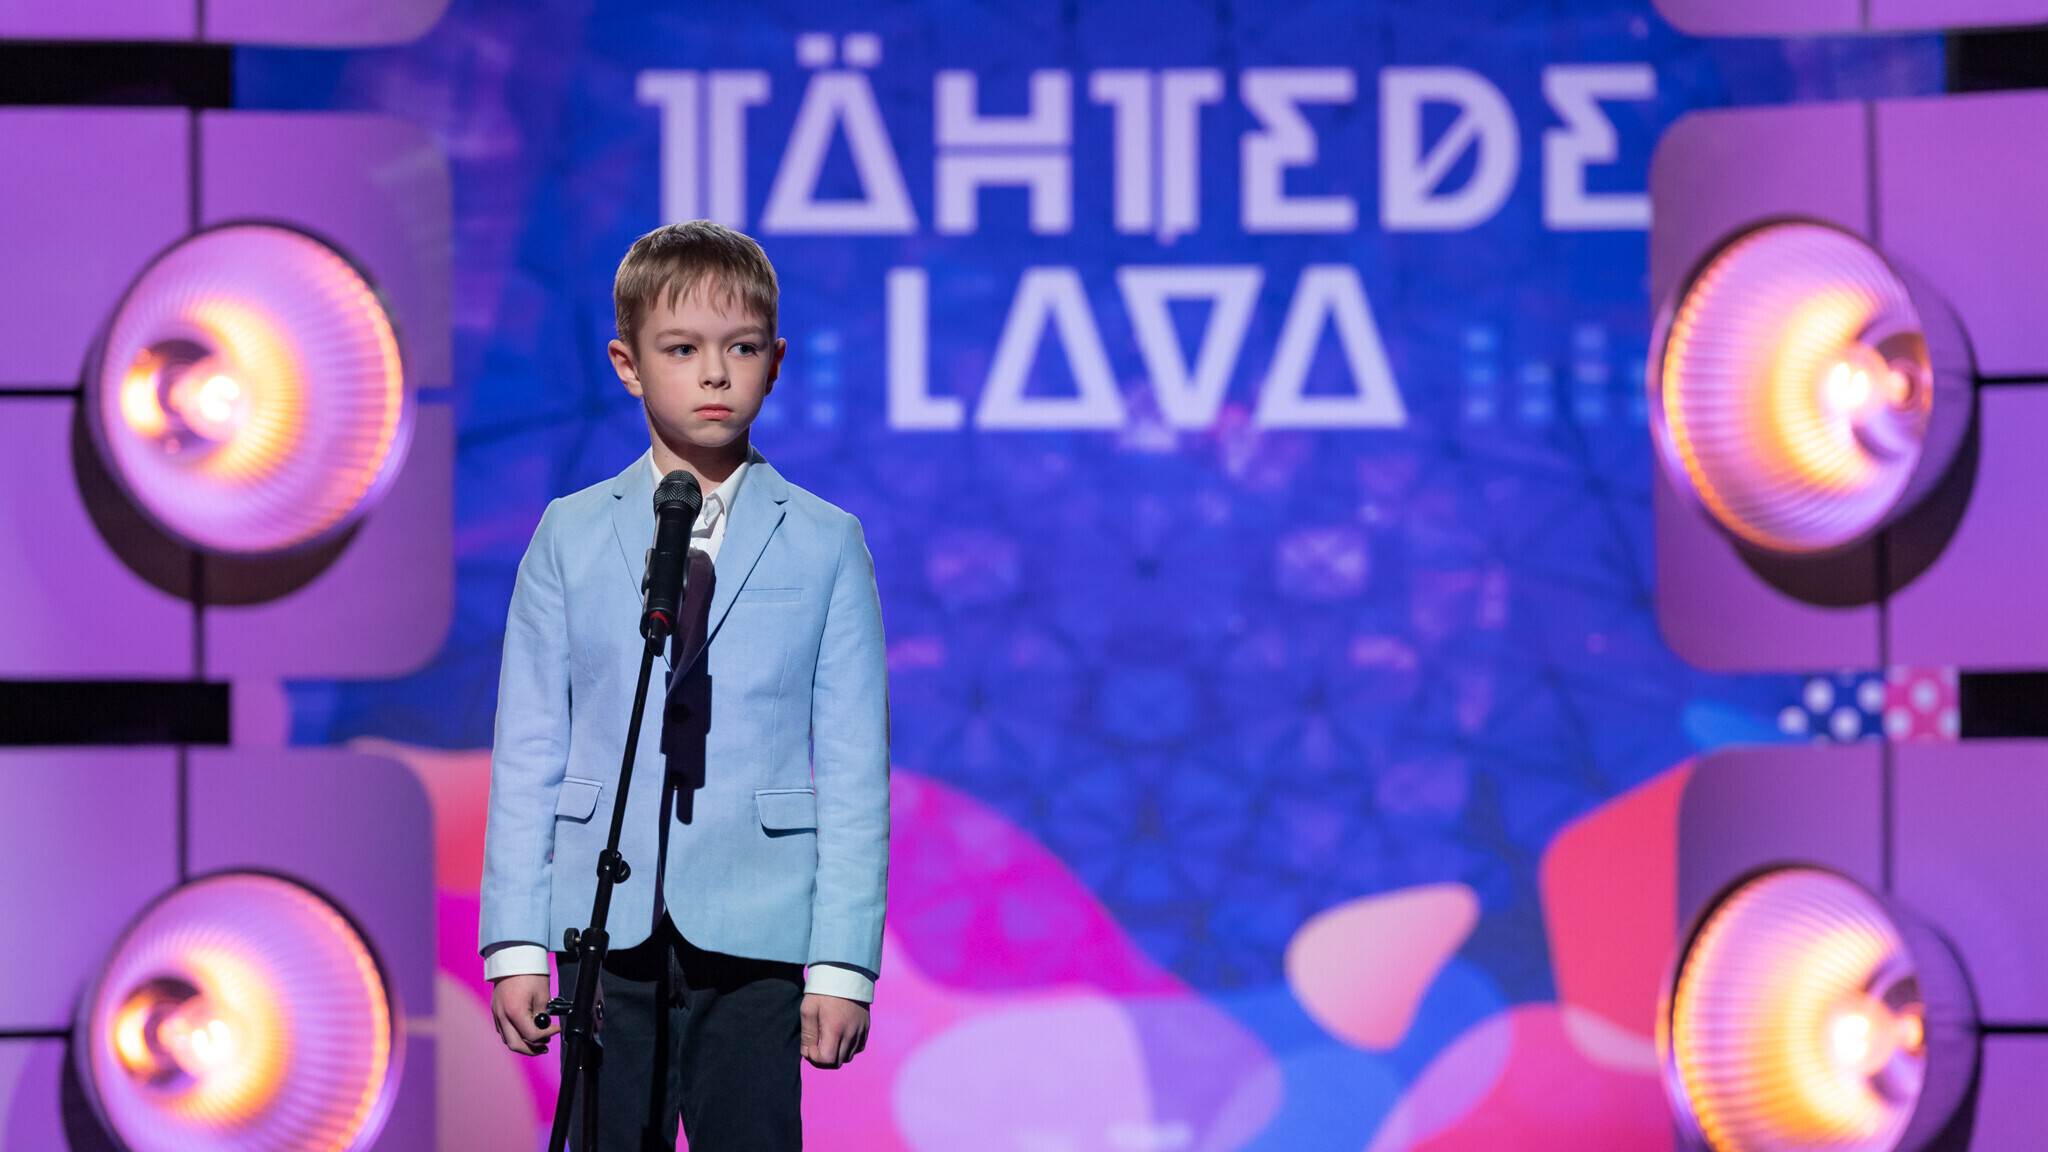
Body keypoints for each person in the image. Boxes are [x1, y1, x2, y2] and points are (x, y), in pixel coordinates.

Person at [479, 220, 889, 1151]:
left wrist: (842, 964)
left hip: (758, 928)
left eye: (740, 348)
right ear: (627, 365)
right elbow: (531, 746)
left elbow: (855, 769)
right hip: (602, 927)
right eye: (682, 349)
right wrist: (514, 938)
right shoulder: (570, 534)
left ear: (775, 363)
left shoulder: (825, 541)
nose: (715, 374)